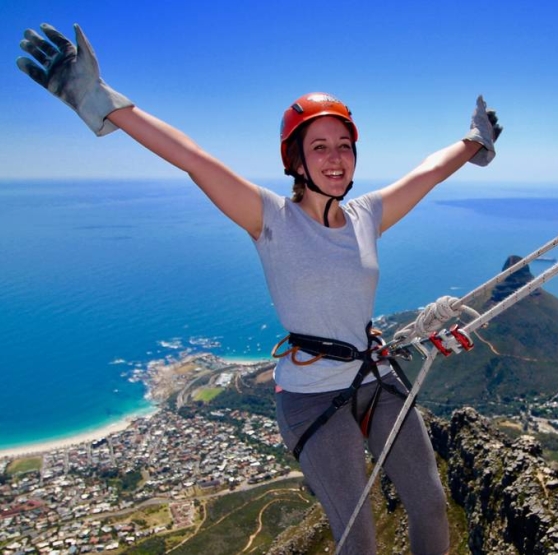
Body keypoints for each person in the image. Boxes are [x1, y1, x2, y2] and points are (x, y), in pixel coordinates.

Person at [17, 23, 502, 554]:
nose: (336, 158)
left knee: (429, 503)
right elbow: (193, 158)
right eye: (319, 147)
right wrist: (102, 101)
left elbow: (427, 173)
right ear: (294, 160)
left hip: (374, 373)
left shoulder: (367, 216)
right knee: (357, 536)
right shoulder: (271, 219)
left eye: (344, 145)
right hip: (311, 393)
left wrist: (474, 143)